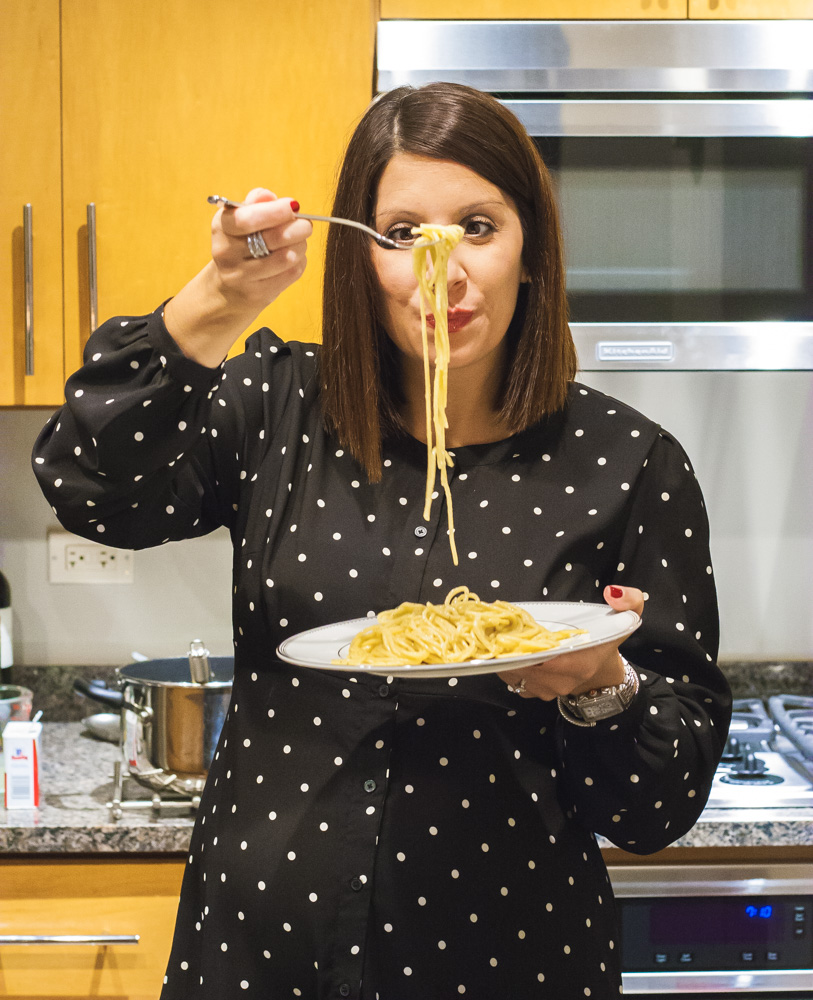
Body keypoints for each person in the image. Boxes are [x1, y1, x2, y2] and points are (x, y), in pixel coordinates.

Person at [33, 82, 731, 999]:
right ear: (362, 259)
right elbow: (88, 488)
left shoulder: (628, 462)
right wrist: (216, 300)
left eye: (477, 226)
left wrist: (603, 687)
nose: (443, 270)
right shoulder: (274, 404)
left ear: (530, 252)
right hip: (261, 952)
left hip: (512, 957)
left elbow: (657, 806)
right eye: (403, 235)